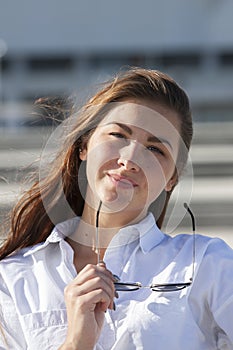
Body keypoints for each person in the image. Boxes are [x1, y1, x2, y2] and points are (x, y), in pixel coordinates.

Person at [0, 67, 233, 350]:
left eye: (155, 149)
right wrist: (76, 343)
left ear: (172, 178)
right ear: (84, 145)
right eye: (118, 135)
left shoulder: (208, 264)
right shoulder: (13, 279)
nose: (130, 158)